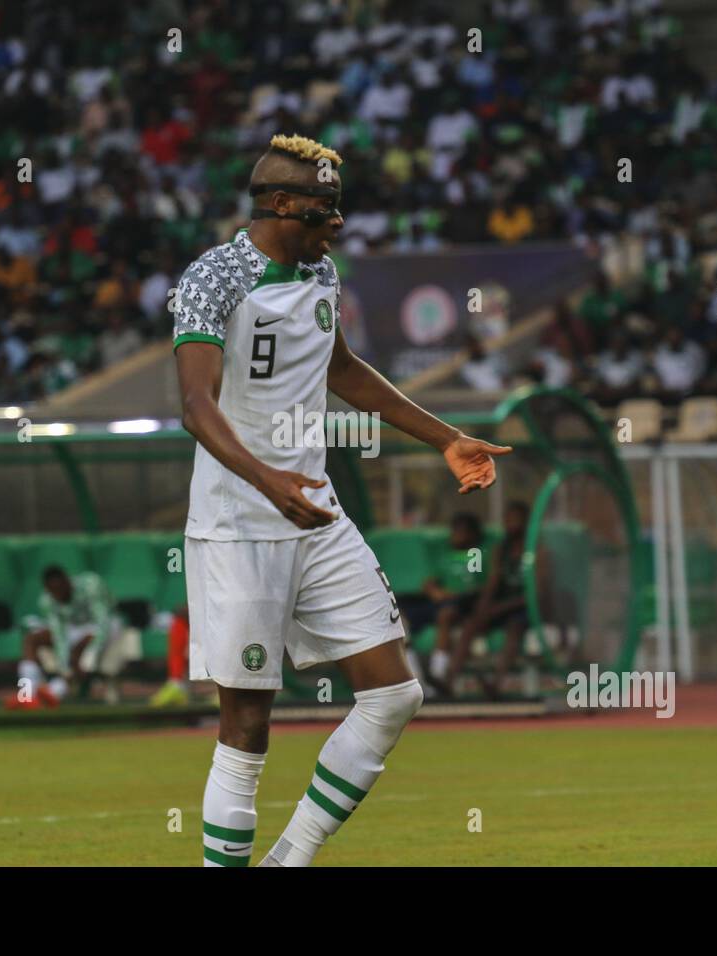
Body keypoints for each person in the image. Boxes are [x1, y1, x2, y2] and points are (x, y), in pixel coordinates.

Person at [173, 134, 511, 867]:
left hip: (315, 514)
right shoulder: (212, 277)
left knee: (394, 695)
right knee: (247, 723)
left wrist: (447, 438)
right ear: (280, 204)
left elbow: (345, 370)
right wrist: (267, 480)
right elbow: (196, 406)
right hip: (238, 524)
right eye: (324, 207)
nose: (337, 221)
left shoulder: (321, 273)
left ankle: (289, 859)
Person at [439, 501, 532, 699]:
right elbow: (492, 583)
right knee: (471, 624)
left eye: (515, 519)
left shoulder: (537, 551)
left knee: (515, 628)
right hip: (502, 605)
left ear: (526, 522)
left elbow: (536, 593)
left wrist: (499, 608)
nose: (510, 524)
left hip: (526, 607)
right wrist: (482, 609)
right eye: (507, 519)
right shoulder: (501, 550)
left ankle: (496, 683)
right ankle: (448, 681)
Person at [7, 565, 115, 709]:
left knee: (79, 654)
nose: (57, 594)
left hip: (102, 624)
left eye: (59, 589)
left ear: (67, 582)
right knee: (31, 639)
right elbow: (59, 636)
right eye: (53, 591)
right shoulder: (47, 600)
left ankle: (54, 691)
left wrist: (89, 655)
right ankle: (26, 695)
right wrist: (64, 667)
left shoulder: (90, 585)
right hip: (72, 628)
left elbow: (103, 624)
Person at [415, 513, 487, 695]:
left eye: (461, 531)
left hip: (463, 605)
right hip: (440, 603)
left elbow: (474, 587)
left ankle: (438, 674)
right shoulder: (446, 556)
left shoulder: (475, 555)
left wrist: (449, 594)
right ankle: (415, 679)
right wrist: (435, 592)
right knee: (403, 617)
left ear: (472, 534)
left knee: (445, 615)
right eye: (455, 531)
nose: (456, 535)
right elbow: (429, 583)